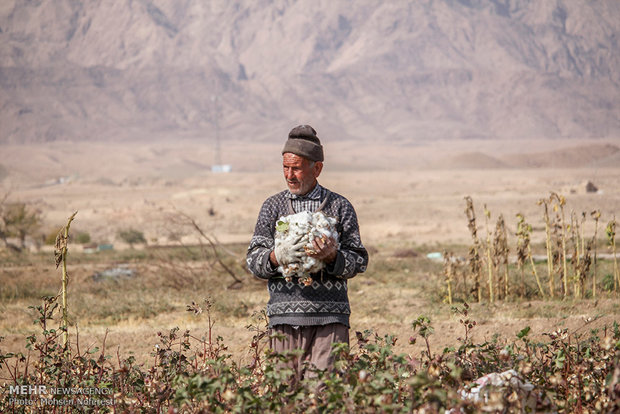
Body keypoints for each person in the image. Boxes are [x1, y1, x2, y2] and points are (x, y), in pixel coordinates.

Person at [246, 124, 368, 378]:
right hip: (284, 319)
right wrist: (276, 256)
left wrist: (334, 257)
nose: (289, 175)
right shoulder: (272, 207)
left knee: (324, 395)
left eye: (297, 168)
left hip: (330, 320)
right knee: (285, 394)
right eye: (285, 168)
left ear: (317, 168)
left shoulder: (339, 207)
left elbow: (359, 260)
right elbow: (253, 260)